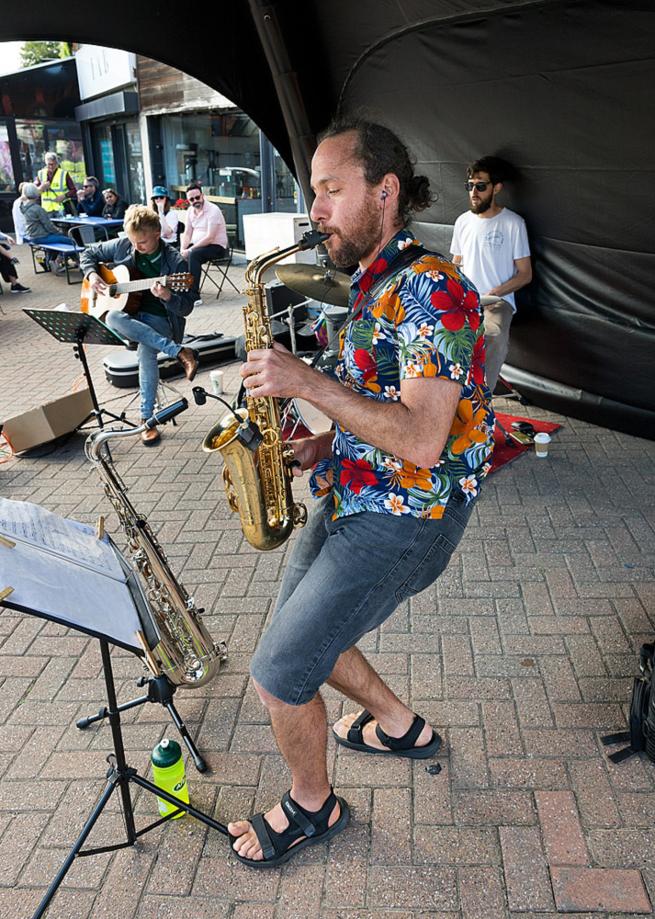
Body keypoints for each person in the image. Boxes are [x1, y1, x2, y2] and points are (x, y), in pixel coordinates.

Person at [227, 118, 494, 867]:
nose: (314, 209)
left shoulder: (432, 289)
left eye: (329, 190)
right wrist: (321, 440)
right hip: (352, 493)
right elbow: (378, 404)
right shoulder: (376, 280)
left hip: (406, 521)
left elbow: (419, 438)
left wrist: (304, 381)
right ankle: (398, 724)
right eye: (313, 191)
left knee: (280, 673)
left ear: (383, 192)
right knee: (304, 634)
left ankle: (313, 804)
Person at [80, 205, 200, 445]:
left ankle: (146, 420)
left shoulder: (175, 263)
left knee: (146, 353)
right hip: (131, 318)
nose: (137, 247)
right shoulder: (126, 244)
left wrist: (167, 296)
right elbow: (88, 253)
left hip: (162, 321)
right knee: (112, 316)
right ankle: (180, 352)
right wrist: (93, 276)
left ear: (158, 233)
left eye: (142, 242)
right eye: (133, 241)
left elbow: (186, 307)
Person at [450, 156, 532, 392]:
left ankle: (481, 401)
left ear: (496, 188)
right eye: (470, 186)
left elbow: (525, 274)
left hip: (496, 302)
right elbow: (457, 263)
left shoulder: (513, 223)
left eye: (480, 186)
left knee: (492, 336)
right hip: (465, 301)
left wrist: (495, 293)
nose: (474, 192)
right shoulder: (463, 222)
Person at [179, 183, 227, 292]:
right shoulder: (190, 211)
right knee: (175, 253)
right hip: (199, 246)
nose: (196, 201)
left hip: (217, 247)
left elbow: (210, 237)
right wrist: (182, 249)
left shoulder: (213, 210)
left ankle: (194, 295)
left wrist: (190, 249)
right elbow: (187, 233)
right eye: (192, 199)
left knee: (193, 255)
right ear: (188, 201)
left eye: (197, 197)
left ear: (202, 195)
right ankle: (180, 289)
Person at [20, 183, 76, 272]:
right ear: (36, 194)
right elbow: (48, 226)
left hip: (32, 236)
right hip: (41, 236)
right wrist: (59, 232)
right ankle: (72, 261)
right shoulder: (38, 209)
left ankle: (52, 261)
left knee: (56, 241)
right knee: (69, 240)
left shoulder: (24, 208)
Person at [35, 151, 77, 216]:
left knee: (62, 226)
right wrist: (42, 187)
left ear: (57, 163)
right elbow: (34, 192)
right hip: (46, 210)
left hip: (60, 209)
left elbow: (73, 190)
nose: (51, 166)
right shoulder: (40, 173)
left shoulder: (63, 174)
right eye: (49, 164)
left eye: (53, 164)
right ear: (46, 163)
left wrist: (64, 196)